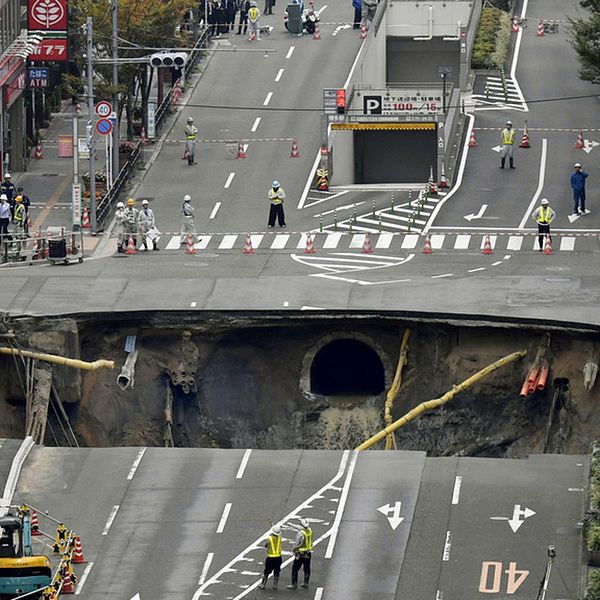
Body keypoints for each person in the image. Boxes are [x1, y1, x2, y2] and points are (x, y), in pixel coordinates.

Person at [287, 519, 312, 590]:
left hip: (300, 554)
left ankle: (294, 584)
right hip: (308, 553)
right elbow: (300, 528)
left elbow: (297, 543)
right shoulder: (309, 530)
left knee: (295, 569)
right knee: (307, 569)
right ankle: (306, 583)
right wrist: (292, 525)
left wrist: (294, 550)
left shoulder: (300, 534)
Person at [259, 525, 282, 590]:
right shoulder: (280, 538)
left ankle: (263, 584)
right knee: (277, 571)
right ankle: (275, 585)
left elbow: (265, 545)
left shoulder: (270, 538)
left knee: (266, 571)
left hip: (271, 557)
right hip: (278, 557)